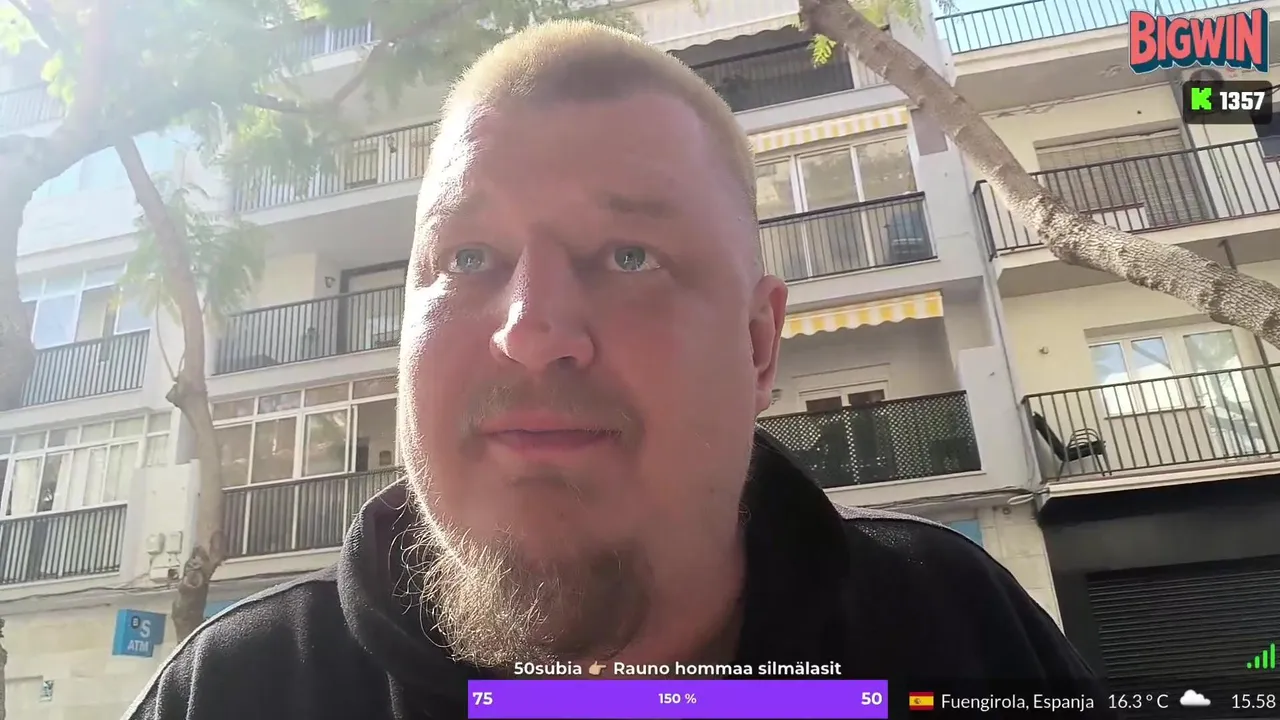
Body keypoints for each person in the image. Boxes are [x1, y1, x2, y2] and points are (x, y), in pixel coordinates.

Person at [125, 20, 1116, 720]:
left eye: (629, 256)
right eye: (467, 257)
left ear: (758, 344)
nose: (530, 332)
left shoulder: (957, 633)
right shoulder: (234, 693)